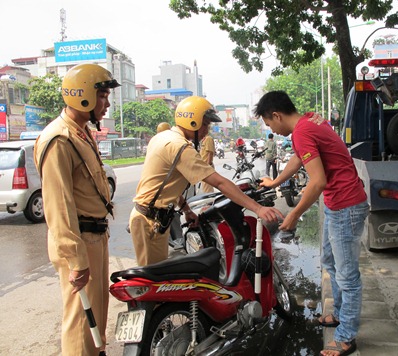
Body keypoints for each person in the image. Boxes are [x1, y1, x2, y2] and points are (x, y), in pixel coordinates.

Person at [254, 91, 369, 356]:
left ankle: (346, 337)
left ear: (276, 115)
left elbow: (318, 181)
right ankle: (339, 314)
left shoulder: (302, 131)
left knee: (348, 275)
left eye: (270, 125)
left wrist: (293, 215)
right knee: (330, 263)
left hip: (345, 204)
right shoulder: (310, 122)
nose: (272, 129)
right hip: (335, 203)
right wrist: (276, 181)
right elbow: (299, 157)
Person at [129, 96, 284, 266]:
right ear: (192, 121)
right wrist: (258, 208)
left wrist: (187, 210)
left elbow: (167, 185)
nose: (207, 130)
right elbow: (220, 183)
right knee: (152, 283)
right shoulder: (179, 146)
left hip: (153, 219)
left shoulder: (164, 136)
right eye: (206, 124)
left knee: (156, 277)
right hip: (149, 221)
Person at [34, 63, 119, 356]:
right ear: (83, 95)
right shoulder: (59, 139)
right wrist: (76, 257)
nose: (107, 103)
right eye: (103, 96)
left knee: (96, 319)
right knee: (82, 322)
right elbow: (58, 206)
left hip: (94, 235)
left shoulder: (79, 132)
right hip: (80, 239)